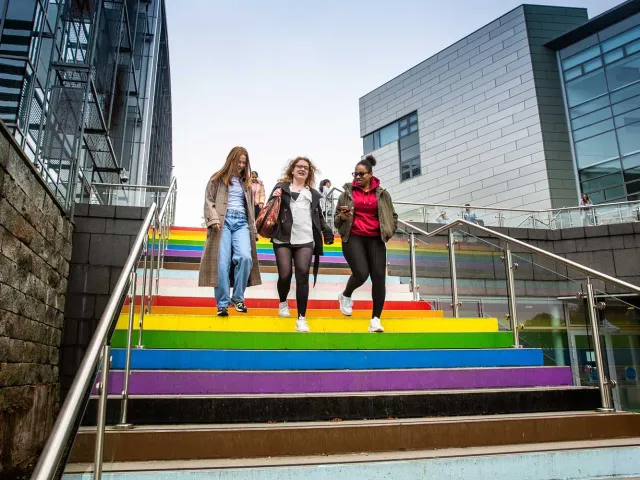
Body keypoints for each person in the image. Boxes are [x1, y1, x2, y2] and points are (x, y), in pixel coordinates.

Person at [269, 157, 334, 332]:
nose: (302, 169)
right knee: (285, 274)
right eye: (299, 166)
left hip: (305, 238)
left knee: (303, 274)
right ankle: (283, 302)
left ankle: (301, 318)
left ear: (309, 172)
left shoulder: (313, 193)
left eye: (306, 167)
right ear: (292, 170)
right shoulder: (281, 188)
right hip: (282, 237)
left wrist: (327, 232)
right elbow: (270, 209)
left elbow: (318, 216)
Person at [334, 154, 397, 333]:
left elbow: (392, 215)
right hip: (353, 236)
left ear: (370, 174)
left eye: (362, 174)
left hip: (376, 238)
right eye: (355, 174)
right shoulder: (347, 193)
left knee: (378, 277)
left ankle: (375, 320)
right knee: (361, 273)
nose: (358, 177)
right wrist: (342, 217)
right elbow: (336, 221)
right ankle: (345, 295)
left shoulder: (383, 194)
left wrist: (389, 230)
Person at [198, 146, 262, 316]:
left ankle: (238, 297)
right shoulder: (217, 179)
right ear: (230, 160)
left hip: (242, 223)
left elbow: (249, 207)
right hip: (222, 222)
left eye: (244, 162)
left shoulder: (246, 183)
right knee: (222, 263)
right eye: (238, 161)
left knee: (245, 258)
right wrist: (213, 219)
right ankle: (222, 303)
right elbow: (208, 200)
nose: (241, 165)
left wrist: (253, 230)